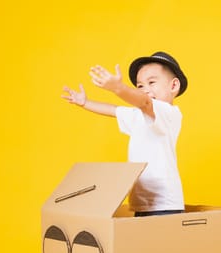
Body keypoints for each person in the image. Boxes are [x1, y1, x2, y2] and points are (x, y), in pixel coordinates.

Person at [62, 52, 188, 217]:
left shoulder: (169, 113)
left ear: (173, 86)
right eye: (140, 86)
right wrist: (85, 103)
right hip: (141, 203)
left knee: (162, 242)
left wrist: (118, 88)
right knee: (144, 243)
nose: (146, 90)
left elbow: (145, 102)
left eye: (152, 82)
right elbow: (113, 110)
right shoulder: (137, 116)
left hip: (164, 203)